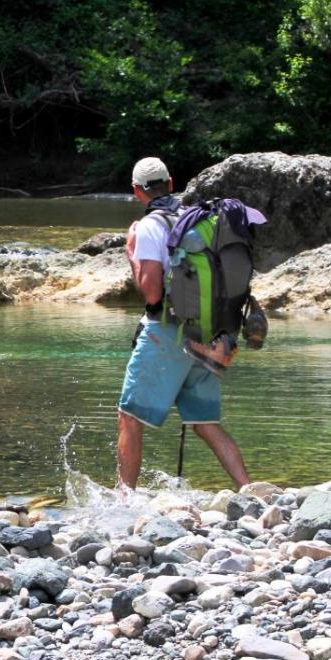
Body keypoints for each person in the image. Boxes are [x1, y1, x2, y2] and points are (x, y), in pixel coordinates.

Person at [117, 156, 251, 490]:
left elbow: (151, 292)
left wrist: (131, 252)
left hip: (168, 334)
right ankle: (251, 491)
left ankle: (123, 499)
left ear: (136, 191)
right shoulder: (198, 219)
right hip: (211, 333)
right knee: (205, 423)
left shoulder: (150, 226)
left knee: (130, 418)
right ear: (171, 183)